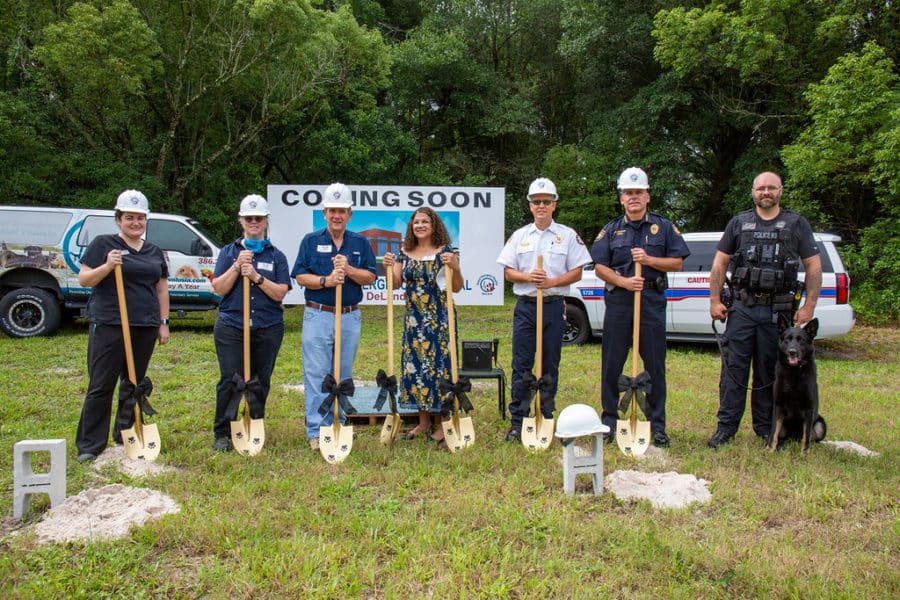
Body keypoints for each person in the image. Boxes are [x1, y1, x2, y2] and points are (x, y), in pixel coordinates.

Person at [707, 171, 823, 448]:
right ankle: (726, 429)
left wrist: (809, 305)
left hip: (778, 313)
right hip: (742, 309)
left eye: (771, 188)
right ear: (753, 192)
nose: (766, 192)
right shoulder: (738, 223)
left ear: (780, 191)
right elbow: (720, 263)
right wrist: (714, 299)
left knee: (770, 373)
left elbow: (813, 266)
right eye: (761, 188)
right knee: (733, 371)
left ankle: (766, 429)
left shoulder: (796, 224)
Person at [591, 167, 689, 447]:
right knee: (611, 364)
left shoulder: (664, 227)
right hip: (620, 302)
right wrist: (623, 281)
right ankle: (610, 421)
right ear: (621, 198)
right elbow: (599, 267)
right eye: (628, 193)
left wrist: (648, 260)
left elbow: (677, 262)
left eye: (638, 192)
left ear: (647, 196)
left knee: (655, 365)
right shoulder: (611, 230)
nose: (633, 197)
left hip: (651, 302)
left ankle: (657, 425)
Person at [75, 190, 170, 463]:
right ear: (119, 219)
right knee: (101, 383)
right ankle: (90, 444)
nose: (135, 223)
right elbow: (84, 279)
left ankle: (125, 432)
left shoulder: (154, 251)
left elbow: (161, 289)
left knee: (133, 383)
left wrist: (163, 323)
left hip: (144, 325)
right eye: (129, 217)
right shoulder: (104, 244)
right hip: (110, 323)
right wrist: (107, 266)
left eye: (140, 218)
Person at [497, 177, 592, 442]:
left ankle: (545, 415)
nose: (541, 206)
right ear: (530, 205)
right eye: (536, 201)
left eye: (546, 201)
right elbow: (508, 272)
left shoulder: (567, 236)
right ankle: (518, 420)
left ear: (554, 205)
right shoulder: (520, 236)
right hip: (526, 307)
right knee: (521, 364)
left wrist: (552, 282)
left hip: (553, 305)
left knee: (550, 363)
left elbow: (577, 272)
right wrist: (528, 277)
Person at [291, 183, 377, 450]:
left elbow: (370, 276)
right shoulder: (310, 241)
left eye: (342, 211)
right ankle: (317, 430)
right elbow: (300, 275)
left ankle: (339, 421)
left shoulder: (360, 243)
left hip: (349, 316)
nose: (337, 215)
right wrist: (326, 281)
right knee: (317, 373)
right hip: (318, 315)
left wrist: (348, 269)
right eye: (332, 211)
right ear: (324, 213)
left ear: (349, 214)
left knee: (343, 373)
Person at [210, 195, 291, 452]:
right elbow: (219, 288)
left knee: (260, 380)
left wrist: (256, 277)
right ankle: (223, 432)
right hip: (232, 325)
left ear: (266, 221)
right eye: (249, 218)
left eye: (258, 218)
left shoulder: (276, 256)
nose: (254, 222)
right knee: (230, 379)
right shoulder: (228, 252)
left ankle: (253, 424)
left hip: (267, 326)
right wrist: (237, 267)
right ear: (241, 221)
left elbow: (280, 293)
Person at [383, 208, 463, 443]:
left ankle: (443, 422)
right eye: (416, 222)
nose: (420, 225)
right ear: (411, 227)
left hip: (441, 319)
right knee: (416, 368)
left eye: (425, 221)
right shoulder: (404, 253)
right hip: (414, 321)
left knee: (441, 368)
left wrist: (455, 267)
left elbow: (457, 287)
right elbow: (395, 284)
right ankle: (423, 422)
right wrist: (388, 268)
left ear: (434, 225)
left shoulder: (445, 253)